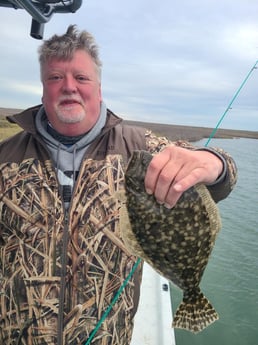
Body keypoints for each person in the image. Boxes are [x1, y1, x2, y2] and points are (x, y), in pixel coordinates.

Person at [0, 25, 237, 345]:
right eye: (55, 78)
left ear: (98, 89)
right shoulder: (6, 156)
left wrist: (215, 164)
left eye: (81, 78)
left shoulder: (140, 147)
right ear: (43, 89)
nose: (69, 87)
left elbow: (217, 180)